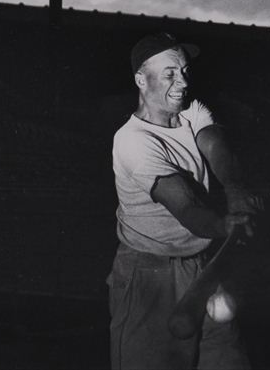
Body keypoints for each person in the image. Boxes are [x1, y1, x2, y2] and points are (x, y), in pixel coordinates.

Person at [107, 32, 261, 369]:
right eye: (170, 73)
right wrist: (225, 223)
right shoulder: (132, 141)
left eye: (185, 71)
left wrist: (234, 188)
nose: (183, 82)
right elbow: (186, 207)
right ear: (140, 80)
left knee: (228, 361)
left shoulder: (190, 110)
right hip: (150, 273)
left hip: (204, 263)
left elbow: (215, 144)